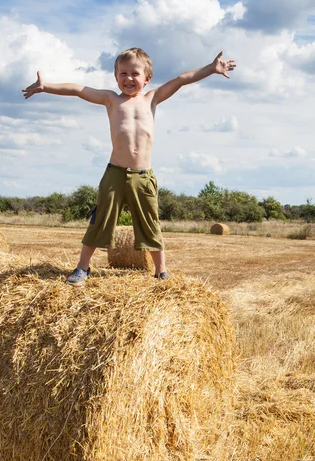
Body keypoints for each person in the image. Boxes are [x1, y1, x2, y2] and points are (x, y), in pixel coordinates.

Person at [23, 48, 236, 286]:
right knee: (100, 220)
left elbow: (180, 80)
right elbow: (78, 90)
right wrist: (46, 86)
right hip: (114, 174)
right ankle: (83, 268)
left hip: (143, 176)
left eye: (135, 73)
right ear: (116, 78)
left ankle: (161, 271)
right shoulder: (111, 100)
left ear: (147, 78)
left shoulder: (152, 98)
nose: (128, 78)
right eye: (122, 73)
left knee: (150, 223)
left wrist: (211, 68)